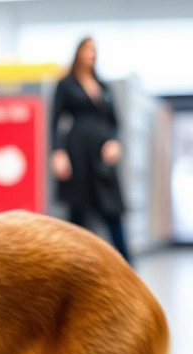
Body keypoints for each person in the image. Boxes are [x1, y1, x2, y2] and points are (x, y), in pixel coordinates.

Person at [50, 37, 130, 262]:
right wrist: (58, 152)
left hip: (102, 157)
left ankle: (128, 267)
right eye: (88, 49)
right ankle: (74, 266)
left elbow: (115, 123)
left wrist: (115, 142)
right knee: (78, 213)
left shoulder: (104, 86)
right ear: (78, 53)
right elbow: (55, 120)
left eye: (95, 50)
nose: (92, 54)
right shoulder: (66, 84)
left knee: (113, 211)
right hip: (78, 153)